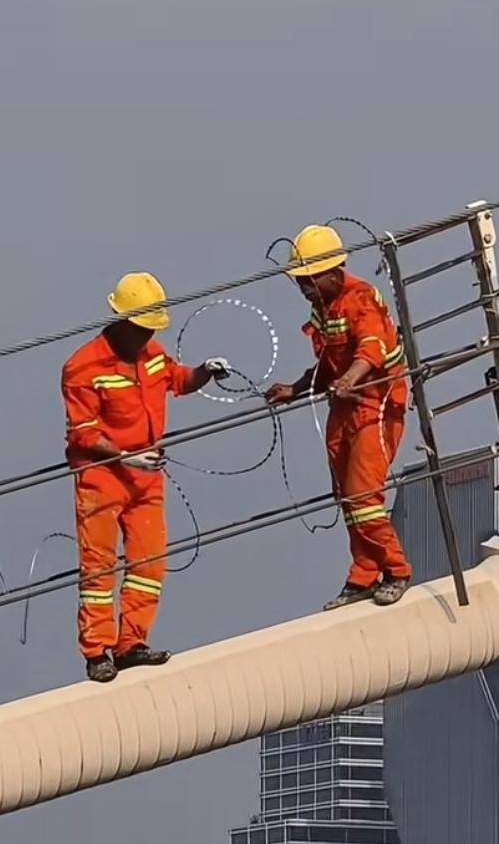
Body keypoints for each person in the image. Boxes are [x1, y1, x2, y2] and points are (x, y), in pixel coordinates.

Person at [61, 272, 229, 682]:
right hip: (102, 479)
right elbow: (83, 432)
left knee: (149, 563)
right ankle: (97, 650)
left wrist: (205, 371)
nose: (145, 337)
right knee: (98, 570)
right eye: (141, 328)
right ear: (121, 321)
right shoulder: (83, 366)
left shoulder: (152, 354)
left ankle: (130, 643)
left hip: (146, 478)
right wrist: (124, 456)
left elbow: (177, 380)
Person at [264, 224, 411, 610]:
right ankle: (363, 573)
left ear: (333, 273)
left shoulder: (361, 299)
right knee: (347, 497)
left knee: (364, 495)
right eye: (300, 282)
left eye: (309, 280)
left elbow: (370, 348)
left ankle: (396, 570)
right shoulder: (323, 308)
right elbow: (331, 365)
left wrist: (349, 380)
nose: (304, 288)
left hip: (376, 405)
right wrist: (295, 389)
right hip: (343, 406)